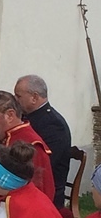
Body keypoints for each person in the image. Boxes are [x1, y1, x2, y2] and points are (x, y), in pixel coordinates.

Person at [14, 74, 72, 209]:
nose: (15, 101)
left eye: (18, 96)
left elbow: (44, 164)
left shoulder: (53, 125)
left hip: (45, 194)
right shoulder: (31, 118)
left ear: (34, 97)